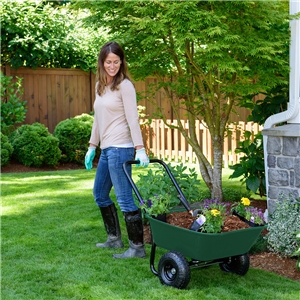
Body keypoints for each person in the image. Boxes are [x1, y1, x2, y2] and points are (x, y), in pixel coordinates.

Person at [85, 41, 149, 259]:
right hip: (106, 149)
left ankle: (137, 248)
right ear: (102, 63)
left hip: (121, 148)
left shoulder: (125, 86)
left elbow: (133, 118)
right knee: (100, 194)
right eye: (108, 62)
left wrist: (139, 148)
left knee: (124, 199)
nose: (112, 66)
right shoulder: (100, 86)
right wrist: (92, 146)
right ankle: (114, 239)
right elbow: (98, 120)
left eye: (116, 61)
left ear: (121, 62)